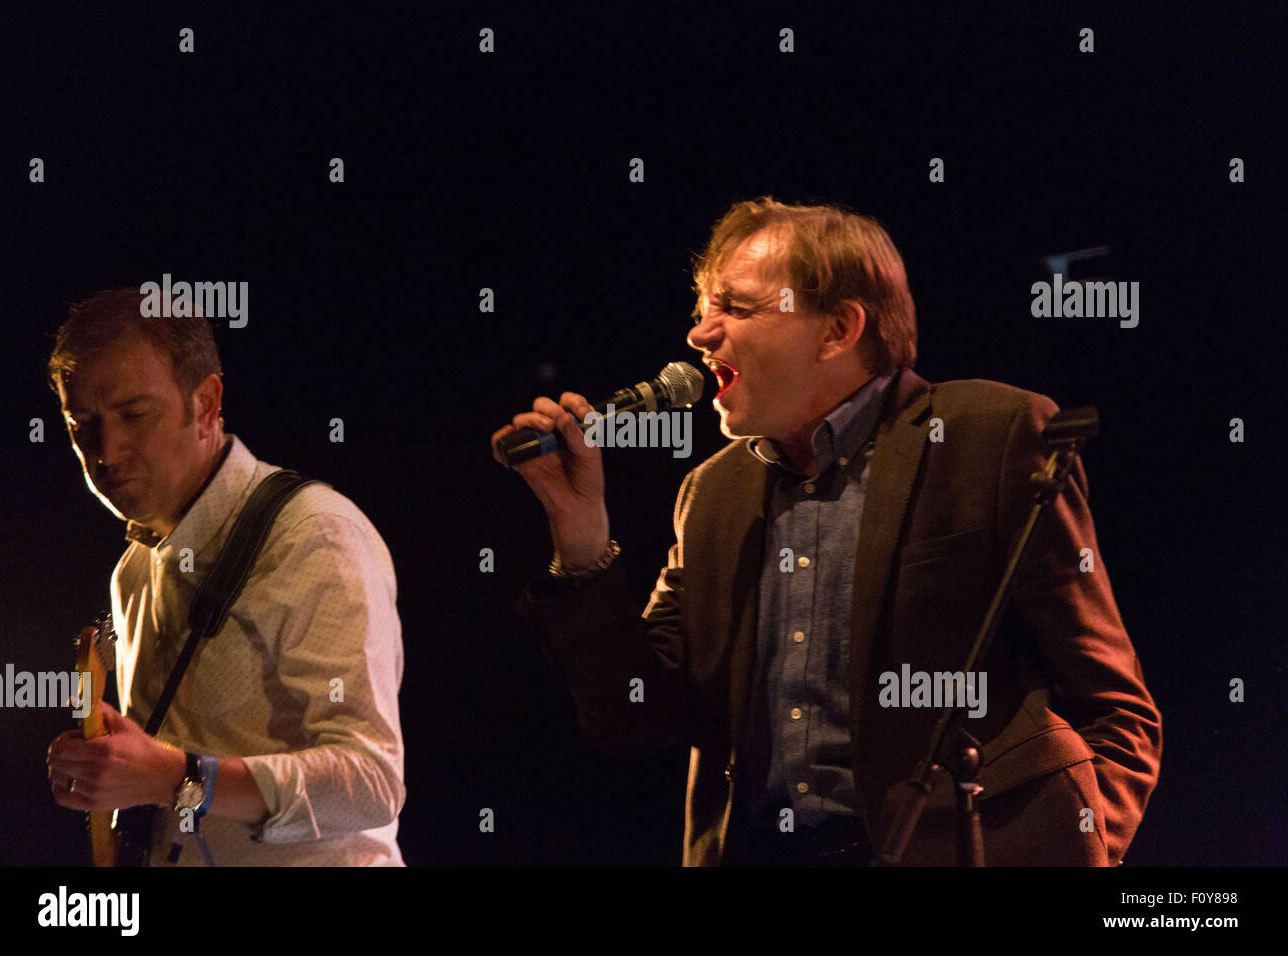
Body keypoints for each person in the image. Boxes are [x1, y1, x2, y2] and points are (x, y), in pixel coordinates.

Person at [493, 197, 1162, 866]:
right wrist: (580, 535)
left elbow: (1116, 710)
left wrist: (1075, 845)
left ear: (838, 329)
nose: (700, 334)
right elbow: (634, 719)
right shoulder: (713, 492)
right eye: (702, 310)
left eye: (736, 307)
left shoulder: (989, 435)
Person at [44, 287, 406, 865]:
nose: (106, 450)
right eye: (80, 423)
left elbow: (371, 784)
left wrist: (176, 777)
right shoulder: (132, 572)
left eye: (134, 414)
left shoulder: (314, 535)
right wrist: (112, 774)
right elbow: (162, 788)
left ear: (207, 403)